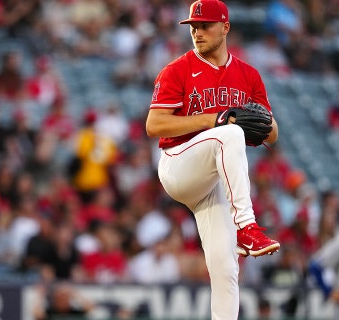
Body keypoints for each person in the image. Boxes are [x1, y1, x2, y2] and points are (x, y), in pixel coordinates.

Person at [145, 1, 280, 318]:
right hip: (179, 165)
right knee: (229, 134)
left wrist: (261, 122)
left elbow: (272, 133)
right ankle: (247, 226)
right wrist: (213, 119)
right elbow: (154, 125)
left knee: (225, 267)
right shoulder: (176, 70)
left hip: (212, 180)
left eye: (205, 25)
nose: (197, 32)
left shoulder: (248, 76)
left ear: (225, 28)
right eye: (193, 26)